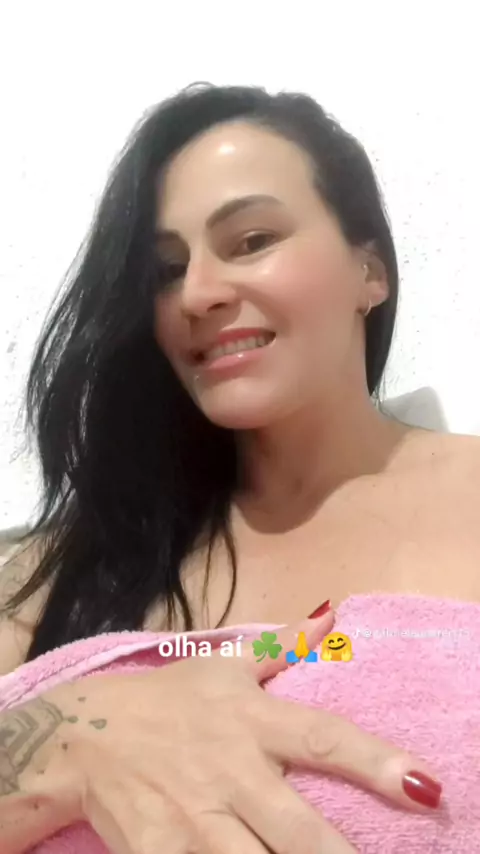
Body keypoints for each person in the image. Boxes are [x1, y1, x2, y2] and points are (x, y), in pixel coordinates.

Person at [1, 82, 478, 852]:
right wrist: (73, 732)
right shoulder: (76, 564)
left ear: (370, 271)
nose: (196, 294)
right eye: (164, 270)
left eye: (252, 240)